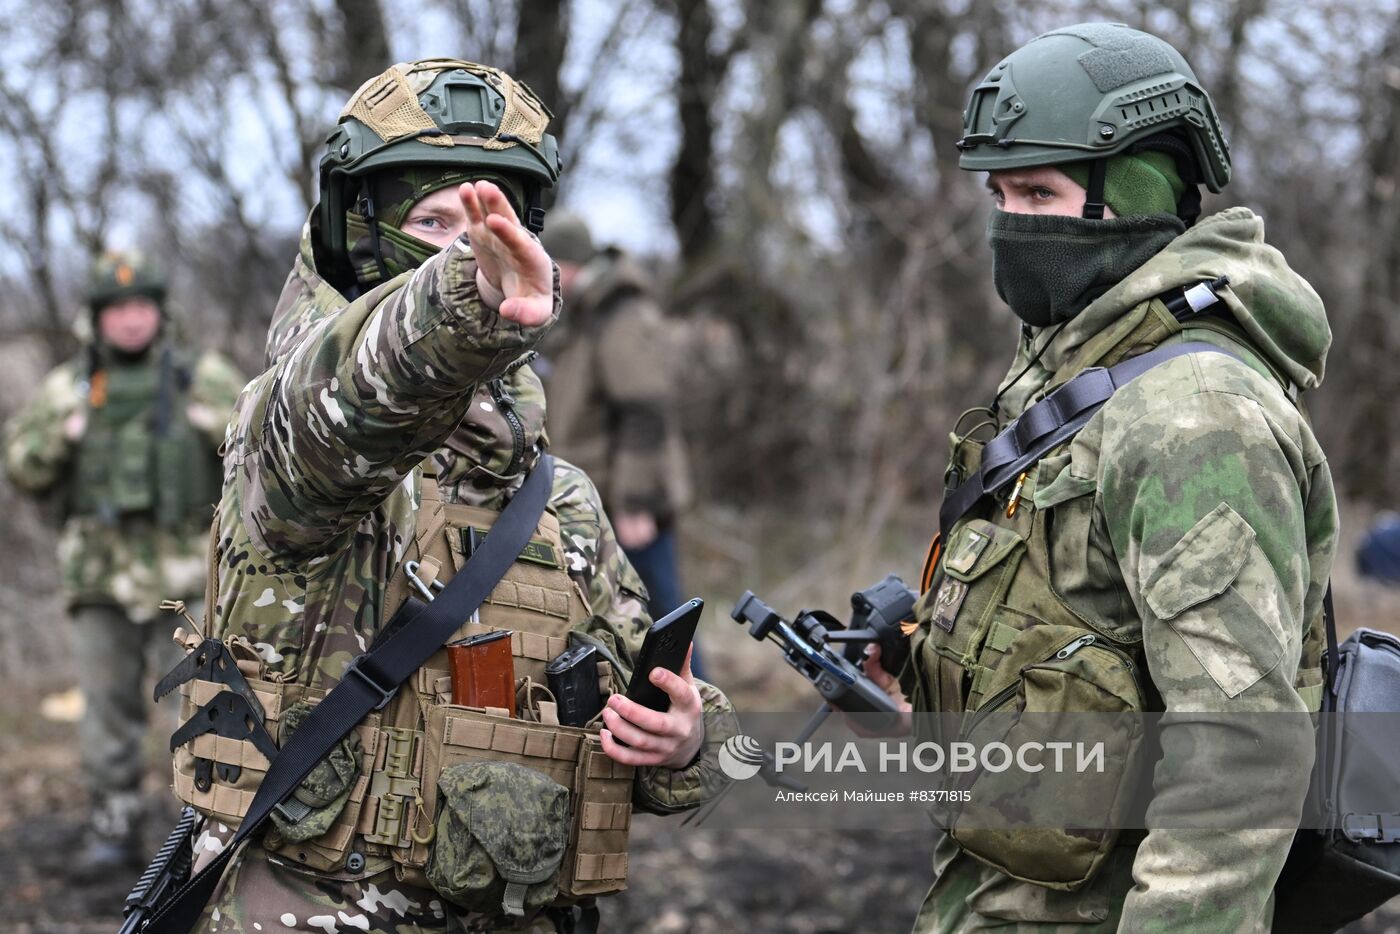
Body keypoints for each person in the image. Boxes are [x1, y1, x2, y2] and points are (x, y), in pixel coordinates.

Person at [168, 59, 735, 932]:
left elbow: (661, 698)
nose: (471, 245)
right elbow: (345, 408)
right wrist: (460, 297)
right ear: (358, 233)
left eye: (491, 224)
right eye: (435, 222)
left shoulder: (561, 497)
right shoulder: (285, 435)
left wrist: (684, 740)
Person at [864, 24, 1337, 931]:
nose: (1011, 223)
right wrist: (921, 683)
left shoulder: (1192, 411)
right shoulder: (1075, 373)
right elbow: (1077, 657)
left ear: (1137, 196)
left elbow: (1239, 765)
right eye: (999, 193)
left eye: (1039, 191)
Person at [3, 250, 245, 877]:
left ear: (160, 312)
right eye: (118, 309)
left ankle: (197, 834)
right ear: (97, 317)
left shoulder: (204, 376)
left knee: (197, 705)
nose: (132, 320)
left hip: (187, 579)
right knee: (107, 708)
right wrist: (65, 433)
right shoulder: (68, 386)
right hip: (99, 577)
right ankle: (112, 829)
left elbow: (263, 446)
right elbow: (22, 466)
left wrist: (212, 425)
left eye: (142, 306)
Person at [536, 214, 693, 635]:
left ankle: (703, 701)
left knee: (664, 626)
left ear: (566, 263)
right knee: (624, 625)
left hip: (630, 507)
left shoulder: (621, 312)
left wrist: (635, 502)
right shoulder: (587, 310)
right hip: (598, 499)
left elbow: (644, 409)